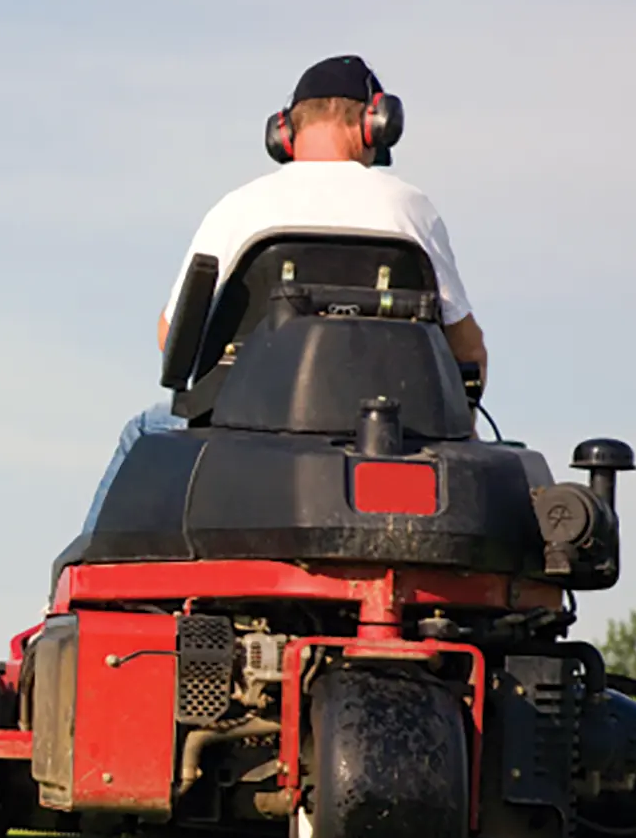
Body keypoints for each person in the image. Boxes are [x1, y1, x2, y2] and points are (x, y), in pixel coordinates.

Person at [83, 55, 488, 531]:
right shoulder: (410, 209)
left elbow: (171, 339)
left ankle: (79, 566)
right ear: (375, 123)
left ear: (284, 132)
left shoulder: (238, 208)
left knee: (142, 431)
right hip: (394, 432)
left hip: (244, 426)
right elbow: (468, 351)